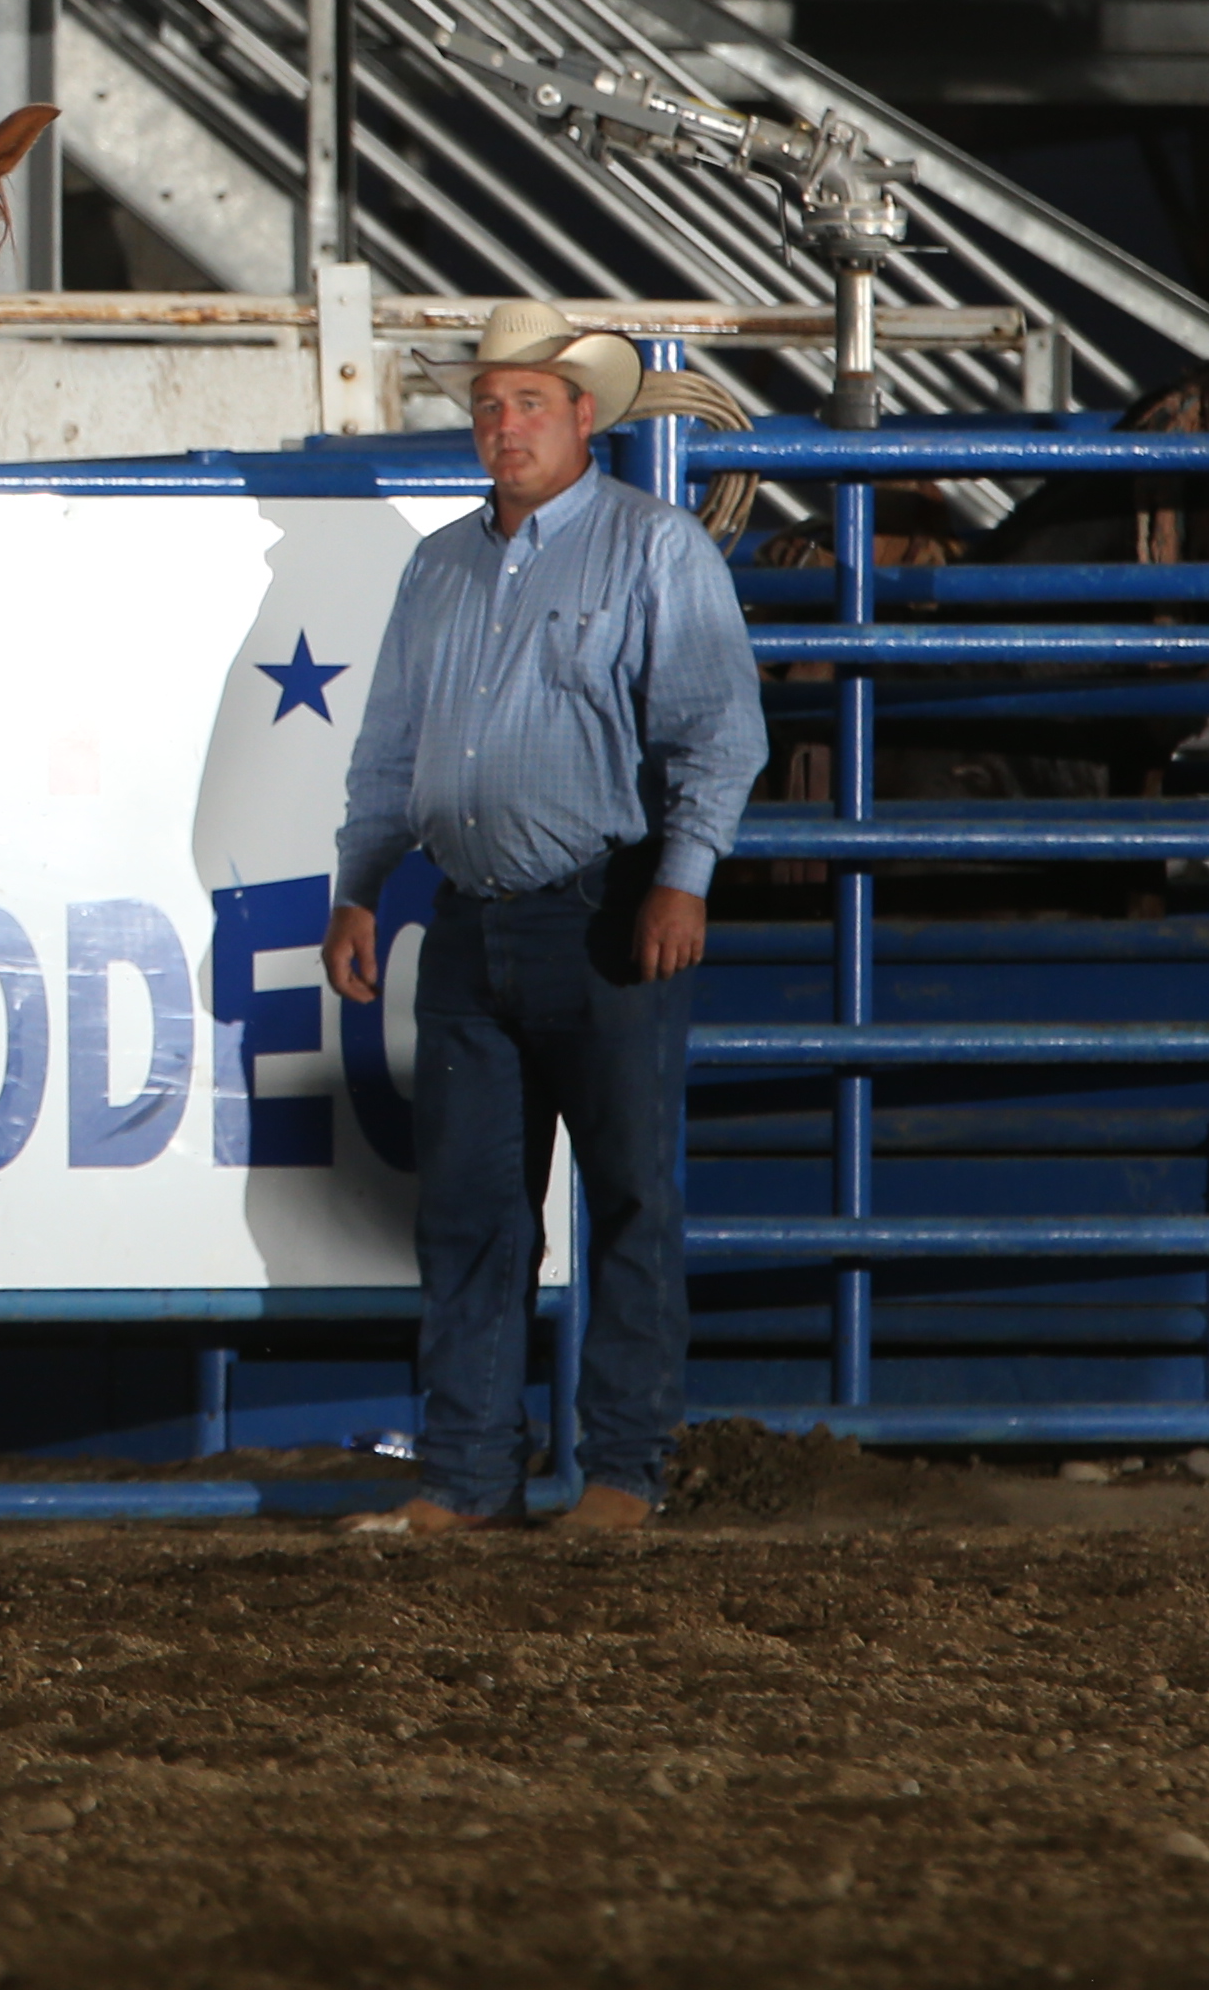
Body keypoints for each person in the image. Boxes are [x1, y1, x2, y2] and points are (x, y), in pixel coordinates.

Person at [319, 299, 760, 1539]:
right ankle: (470, 1475)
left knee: (624, 1195)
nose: (503, 427)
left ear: (584, 417)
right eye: (488, 406)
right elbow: (391, 749)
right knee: (469, 1208)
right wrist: (359, 882)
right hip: (469, 914)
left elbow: (716, 729)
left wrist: (683, 875)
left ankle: (620, 1473)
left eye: (527, 405)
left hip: (603, 906)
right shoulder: (441, 563)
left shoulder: (654, 548)